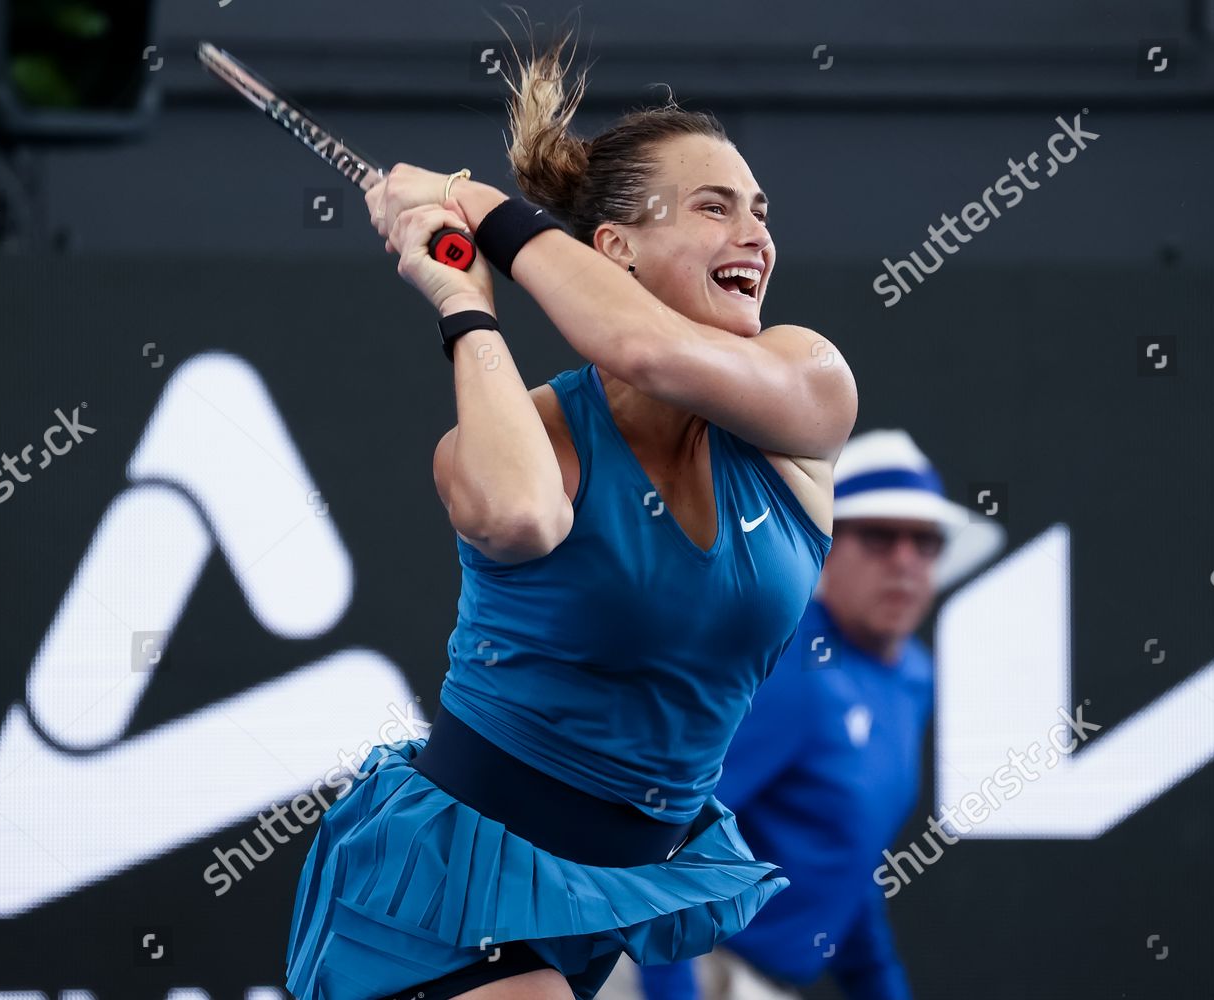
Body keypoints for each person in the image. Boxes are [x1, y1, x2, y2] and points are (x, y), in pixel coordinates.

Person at [283, 24, 858, 1000]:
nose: (756, 233)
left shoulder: (807, 382)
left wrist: (487, 211)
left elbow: (644, 351)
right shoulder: (530, 434)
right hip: (446, 896)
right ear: (615, 248)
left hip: (608, 895)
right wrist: (462, 299)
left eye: (760, 211)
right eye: (714, 209)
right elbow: (517, 516)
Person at [597, 429, 1005, 1000]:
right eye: (881, 537)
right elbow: (661, 837)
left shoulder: (912, 677)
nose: (905, 561)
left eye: (925, 541)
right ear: (828, 547)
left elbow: (846, 858)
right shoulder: (787, 666)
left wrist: (879, 985)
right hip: (676, 970)